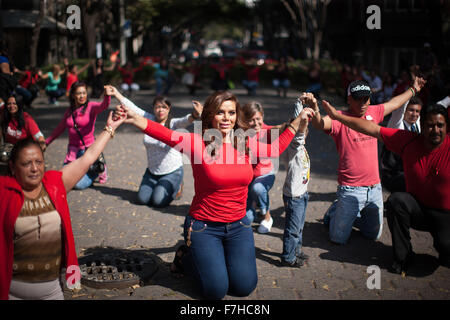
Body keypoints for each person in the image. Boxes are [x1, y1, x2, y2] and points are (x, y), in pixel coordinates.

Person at [116, 90, 302, 299]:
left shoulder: (245, 143)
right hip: (204, 227)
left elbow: (275, 149)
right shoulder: (197, 143)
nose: (226, 118)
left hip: (239, 226)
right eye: (220, 112)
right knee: (215, 292)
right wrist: (134, 119)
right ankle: (184, 258)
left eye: (231, 113)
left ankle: (214, 259)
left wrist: (297, 122)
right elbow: (163, 133)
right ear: (210, 115)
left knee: (243, 287)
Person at [0, 112, 125, 300]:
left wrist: (110, 128)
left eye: (39, 162)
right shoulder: (4, 191)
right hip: (11, 292)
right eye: (26, 163)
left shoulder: (54, 184)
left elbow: (88, 157)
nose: (34, 168)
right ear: (12, 166)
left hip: (52, 291)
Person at [321, 101, 450, 275]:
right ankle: (403, 257)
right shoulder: (408, 140)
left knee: (445, 249)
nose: (435, 130)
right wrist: (337, 117)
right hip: (418, 209)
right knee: (397, 201)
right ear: (422, 126)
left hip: (445, 215)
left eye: (440, 126)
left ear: (446, 127)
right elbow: (370, 128)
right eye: (430, 125)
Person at [312, 76, 426, 245]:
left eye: (366, 98)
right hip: (350, 189)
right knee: (337, 239)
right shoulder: (339, 117)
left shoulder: (373, 112)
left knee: (373, 235)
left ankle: (347, 213)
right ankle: (335, 211)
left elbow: (394, 103)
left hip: (374, 188)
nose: (363, 103)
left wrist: (414, 89)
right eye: (358, 100)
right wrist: (315, 109)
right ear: (349, 99)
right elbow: (319, 124)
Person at [108, 85, 202, 207]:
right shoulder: (148, 120)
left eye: (164, 107)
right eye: (158, 107)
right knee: (142, 200)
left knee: (158, 202)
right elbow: (133, 107)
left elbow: (185, 120)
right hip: (152, 171)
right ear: (153, 109)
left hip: (172, 171)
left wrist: (194, 114)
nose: (160, 110)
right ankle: (158, 185)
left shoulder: (173, 124)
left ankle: (178, 185)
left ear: (169, 109)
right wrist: (116, 93)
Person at [45, 82, 112, 189]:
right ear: (73, 95)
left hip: (87, 151)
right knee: (63, 179)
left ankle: (94, 172)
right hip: (72, 152)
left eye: (84, 93)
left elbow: (103, 106)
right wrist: (46, 142)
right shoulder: (69, 111)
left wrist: (107, 95)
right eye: (79, 93)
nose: (82, 96)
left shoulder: (91, 107)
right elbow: (59, 129)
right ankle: (90, 170)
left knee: (77, 185)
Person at [241, 101, 289, 234]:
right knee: (246, 221)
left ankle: (266, 216)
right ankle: (254, 207)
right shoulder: (241, 134)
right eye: (251, 120)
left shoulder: (267, 131)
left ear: (263, 117)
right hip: (248, 178)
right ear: (244, 120)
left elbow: (279, 128)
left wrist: (289, 125)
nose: (256, 123)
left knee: (257, 188)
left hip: (265, 175)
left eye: (258, 119)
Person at [280, 95, 315, 268]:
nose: (305, 131)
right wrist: (300, 105)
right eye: (303, 129)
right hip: (294, 197)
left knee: (299, 228)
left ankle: (296, 251)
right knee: (293, 230)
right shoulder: (294, 146)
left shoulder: (301, 147)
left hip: (301, 195)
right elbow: (298, 127)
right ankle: (288, 257)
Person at [381, 97, 423, 193]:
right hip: (393, 174)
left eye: (417, 111)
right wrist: (412, 89)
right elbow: (399, 110)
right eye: (411, 110)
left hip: (407, 171)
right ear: (404, 111)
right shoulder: (396, 125)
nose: (414, 114)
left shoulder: (416, 125)